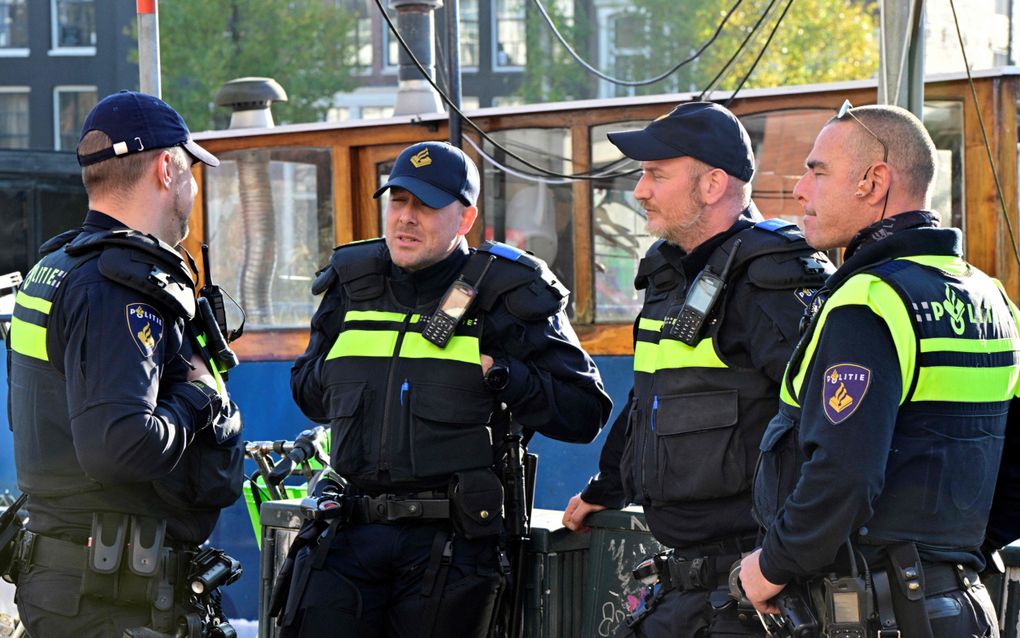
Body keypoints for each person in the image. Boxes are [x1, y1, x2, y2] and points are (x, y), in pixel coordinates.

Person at [276, 140, 612, 637]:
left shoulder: (509, 292)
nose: (406, 218)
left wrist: (503, 375)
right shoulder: (352, 282)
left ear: (465, 217)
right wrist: (350, 375)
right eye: (398, 201)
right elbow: (308, 393)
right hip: (350, 534)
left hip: (451, 549)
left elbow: (584, 412)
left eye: (426, 205)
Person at [739, 102, 1020, 636]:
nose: (800, 189)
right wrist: (949, 559)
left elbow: (845, 471)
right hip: (962, 605)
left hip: (872, 613)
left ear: (873, 180)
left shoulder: (868, 300)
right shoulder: (995, 302)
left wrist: (772, 565)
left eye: (816, 170)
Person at [561, 102, 832, 637]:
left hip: (754, 590)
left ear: (712, 185)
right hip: (685, 587)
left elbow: (828, 426)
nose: (640, 191)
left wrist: (781, 561)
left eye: (656, 175)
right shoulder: (669, 276)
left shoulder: (770, 278)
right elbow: (650, 397)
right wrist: (606, 486)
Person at [6, 91, 243, 637]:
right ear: (166, 168)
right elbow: (120, 446)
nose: (193, 187)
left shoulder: (57, 266)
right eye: (190, 170)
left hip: (81, 583)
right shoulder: (116, 286)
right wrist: (200, 397)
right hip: (113, 599)